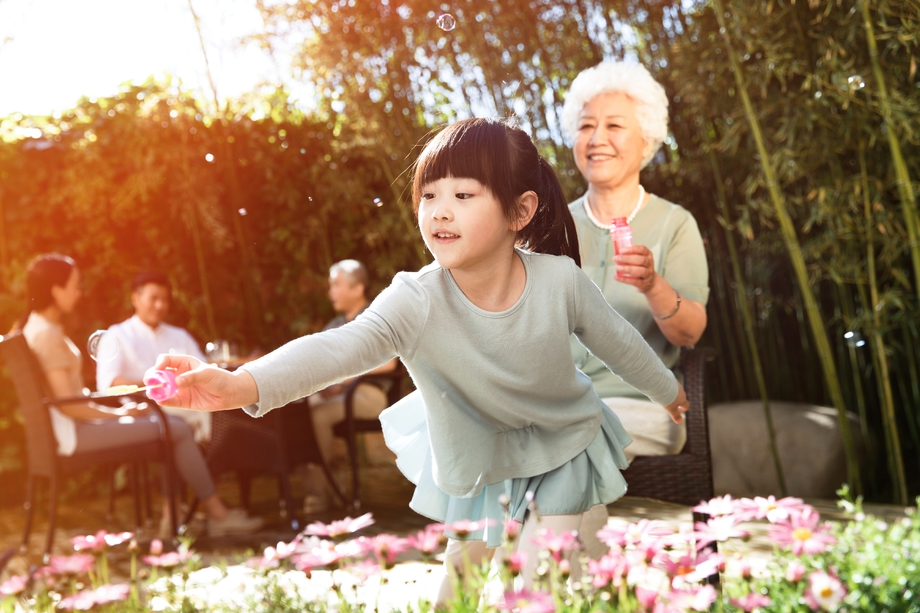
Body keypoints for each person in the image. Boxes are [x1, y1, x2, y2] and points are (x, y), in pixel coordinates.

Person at [150, 118, 688, 605]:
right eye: (428, 195)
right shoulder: (416, 297)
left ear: (519, 211)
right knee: (461, 585)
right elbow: (340, 346)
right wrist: (241, 384)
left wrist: (666, 389)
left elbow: (618, 341)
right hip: (479, 457)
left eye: (462, 194)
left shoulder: (560, 282)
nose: (439, 211)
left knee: (538, 585)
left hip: (564, 444)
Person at [559, 60, 710, 558]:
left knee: (566, 450)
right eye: (585, 126)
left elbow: (689, 333)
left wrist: (653, 285)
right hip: (558, 405)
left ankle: (565, 591)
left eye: (614, 125)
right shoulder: (550, 227)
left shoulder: (674, 225)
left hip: (644, 406)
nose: (597, 137)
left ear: (647, 141)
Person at [15, 254, 263, 538]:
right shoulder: (46, 335)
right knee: (175, 427)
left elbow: (68, 400)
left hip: (73, 428)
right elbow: (70, 406)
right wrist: (119, 414)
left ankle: (179, 514)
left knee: (170, 428)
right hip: (74, 432)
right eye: (74, 286)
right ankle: (215, 513)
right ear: (55, 290)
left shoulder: (37, 329)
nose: (78, 293)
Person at [301, 259, 398, 512]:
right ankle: (327, 486)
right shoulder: (333, 326)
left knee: (319, 415)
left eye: (336, 285)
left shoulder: (375, 318)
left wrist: (345, 378)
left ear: (358, 289)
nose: (330, 291)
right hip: (339, 396)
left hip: (369, 394)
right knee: (299, 411)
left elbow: (390, 364)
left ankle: (320, 493)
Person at [95, 271, 211, 443]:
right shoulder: (118, 335)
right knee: (208, 410)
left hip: (185, 401)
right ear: (136, 299)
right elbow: (108, 384)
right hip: (145, 409)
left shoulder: (179, 335)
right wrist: (154, 381)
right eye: (153, 298)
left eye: (165, 299)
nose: (160, 305)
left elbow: (204, 368)